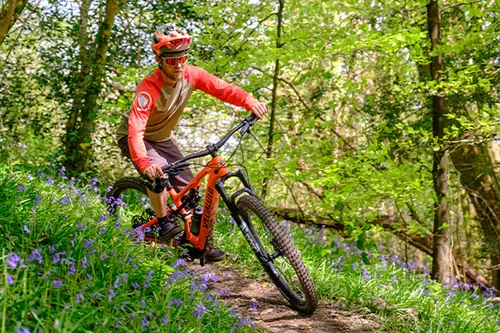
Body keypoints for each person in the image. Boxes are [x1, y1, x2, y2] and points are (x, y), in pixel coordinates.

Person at [116, 23, 268, 262]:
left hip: (162, 138)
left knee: (189, 188)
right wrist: (145, 163)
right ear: (159, 59)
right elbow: (136, 128)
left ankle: (198, 244)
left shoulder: (192, 74)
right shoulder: (149, 88)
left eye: (182, 58)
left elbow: (223, 89)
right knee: (159, 174)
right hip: (137, 138)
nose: (178, 65)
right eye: (171, 60)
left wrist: (249, 101)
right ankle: (164, 222)